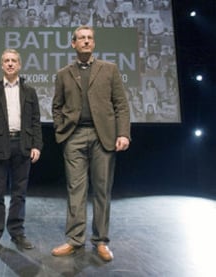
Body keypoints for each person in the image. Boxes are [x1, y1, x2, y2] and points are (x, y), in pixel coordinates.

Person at [51, 26, 131, 262]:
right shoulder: (63, 73)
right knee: (75, 190)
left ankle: (101, 241)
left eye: (89, 38)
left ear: (93, 43)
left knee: (102, 191)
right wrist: (61, 130)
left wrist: (123, 133)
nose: (86, 42)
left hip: (102, 137)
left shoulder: (110, 69)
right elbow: (57, 106)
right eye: (81, 39)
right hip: (74, 137)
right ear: (73, 44)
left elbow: (121, 105)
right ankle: (75, 240)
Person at [0, 49, 43, 255]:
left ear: (20, 65)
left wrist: (37, 145)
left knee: (19, 194)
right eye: (6, 60)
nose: (10, 64)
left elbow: (35, 121)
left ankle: (17, 233)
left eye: (14, 60)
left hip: (22, 146)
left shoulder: (30, 92)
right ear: (1, 65)